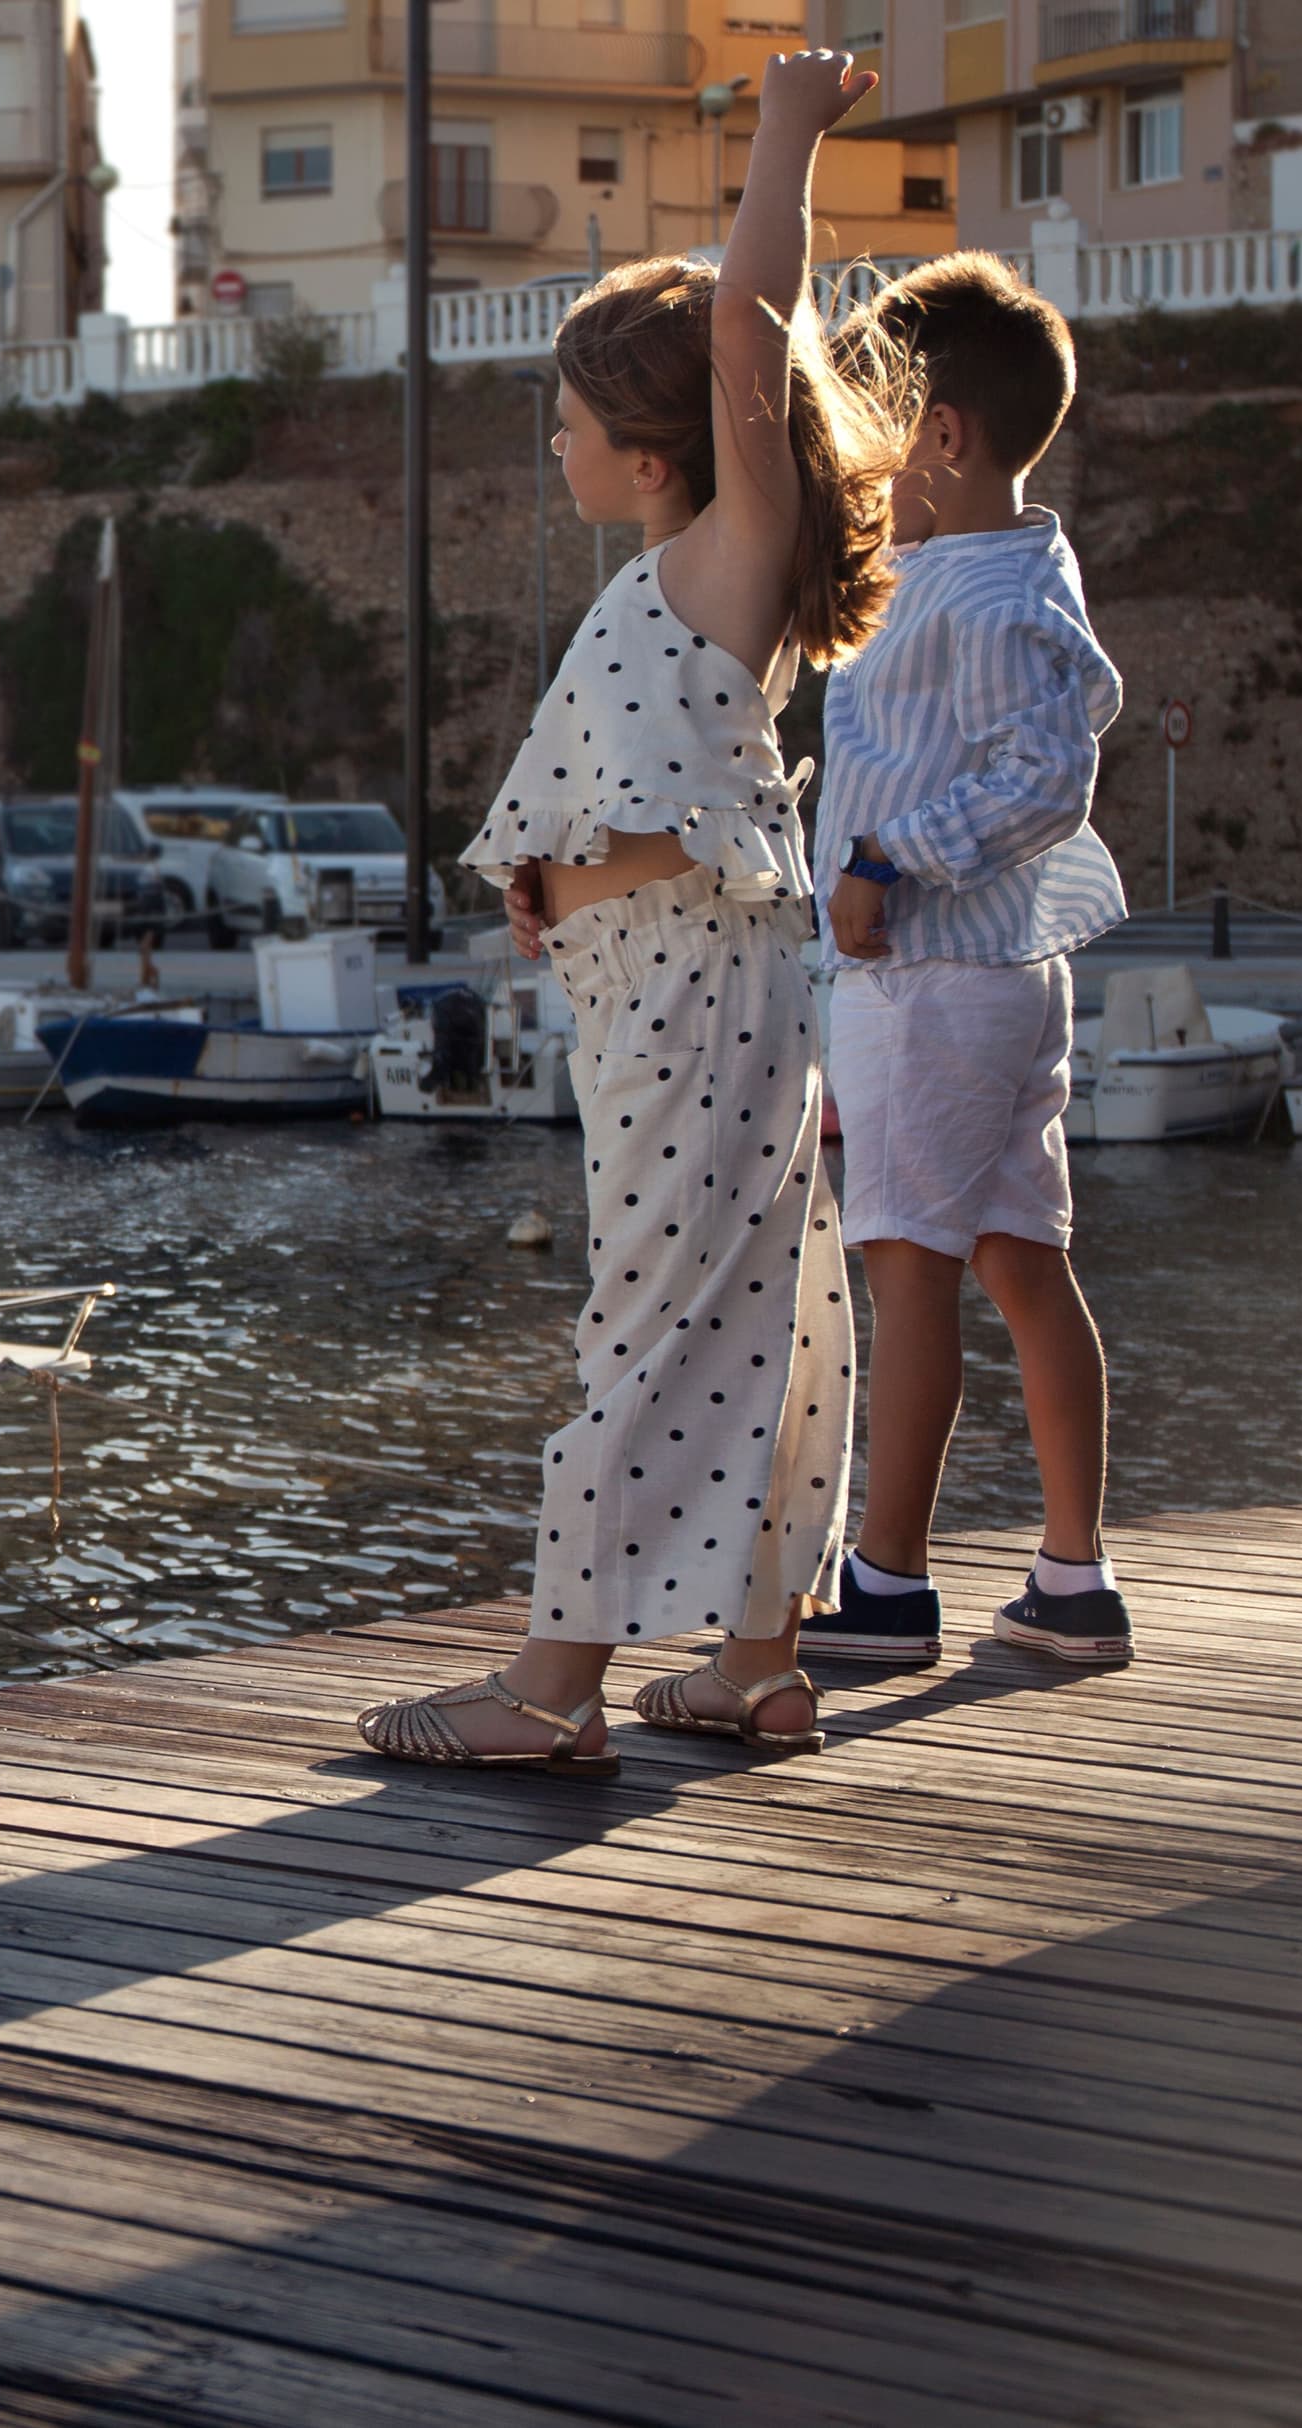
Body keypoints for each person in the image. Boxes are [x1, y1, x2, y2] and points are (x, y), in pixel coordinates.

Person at [357, 47, 900, 1773]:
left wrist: (785, 132)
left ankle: (550, 1688)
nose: (558, 443)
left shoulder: (727, 552)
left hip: (698, 988)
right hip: (671, 976)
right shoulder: (666, 584)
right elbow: (647, 802)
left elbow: (748, 315)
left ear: (655, 452)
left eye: (575, 423)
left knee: (651, 1316)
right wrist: (547, 881)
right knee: (754, 1302)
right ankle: (754, 1662)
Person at [802, 254, 1131, 1669]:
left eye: (870, 429)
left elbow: (1046, 777)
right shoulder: (984, 569)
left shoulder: (986, 596)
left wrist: (887, 859)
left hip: (931, 979)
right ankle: (1074, 1581)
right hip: (996, 977)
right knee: (1018, 1256)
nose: (856, 460)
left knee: (908, 1263)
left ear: (938, 437)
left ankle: (888, 1584)